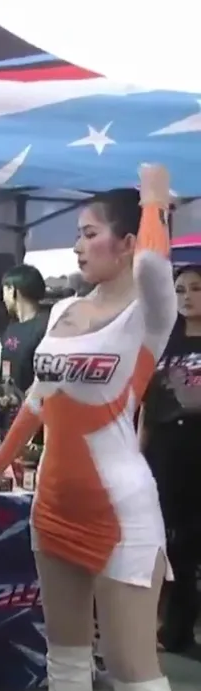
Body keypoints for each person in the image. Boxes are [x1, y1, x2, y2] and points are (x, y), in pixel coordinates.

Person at [0, 175, 179, 691]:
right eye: (77, 235)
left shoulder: (150, 313)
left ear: (128, 242)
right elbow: (39, 398)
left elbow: (154, 266)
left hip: (121, 513)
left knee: (133, 671)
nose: (77, 246)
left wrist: (154, 195)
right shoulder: (65, 310)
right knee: (64, 660)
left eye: (90, 234)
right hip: (52, 505)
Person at [140, 264, 201, 653]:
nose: (187, 297)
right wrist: (138, 449)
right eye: (180, 290)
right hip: (164, 449)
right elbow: (148, 403)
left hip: (197, 448)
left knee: (189, 544)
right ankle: (159, 625)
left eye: (195, 288)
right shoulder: (164, 342)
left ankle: (179, 629)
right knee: (160, 539)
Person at [0, 263, 50, 392]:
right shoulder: (11, 328)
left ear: (12, 290)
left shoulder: (46, 328)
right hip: (10, 400)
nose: (3, 299)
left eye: (4, 291)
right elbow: (6, 366)